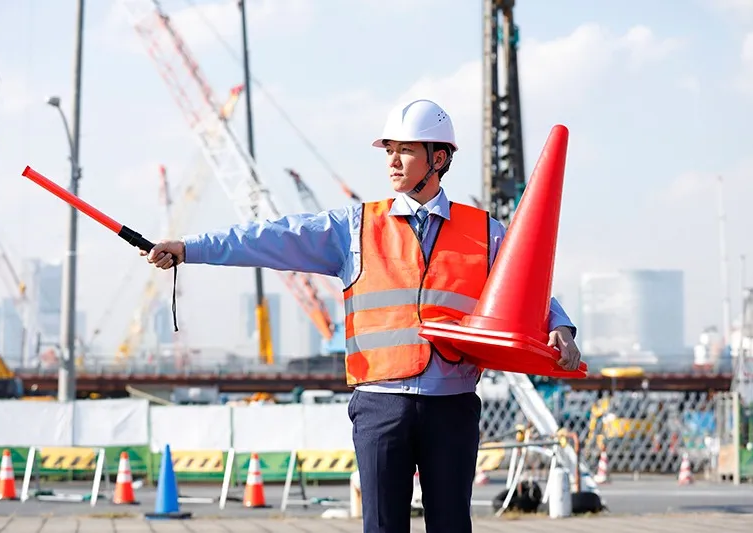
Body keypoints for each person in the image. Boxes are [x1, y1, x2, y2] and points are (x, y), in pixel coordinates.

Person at [144, 99, 582, 532]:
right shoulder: (352, 227)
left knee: (451, 525)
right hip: (380, 405)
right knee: (382, 527)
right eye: (389, 149)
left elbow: (527, 282)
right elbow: (270, 238)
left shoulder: (486, 232)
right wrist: (190, 247)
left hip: (451, 406)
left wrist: (559, 327)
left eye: (406, 150)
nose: (392, 160)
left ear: (439, 158)